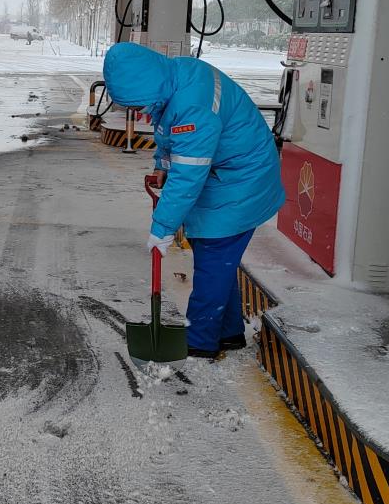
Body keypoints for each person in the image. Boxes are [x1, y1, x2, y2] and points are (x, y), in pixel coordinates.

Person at [103, 42, 284, 359]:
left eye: (139, 104)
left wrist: (162, 227)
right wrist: (162, 165)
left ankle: (200, 342)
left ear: (148, 86)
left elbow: (188, 174)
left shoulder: (192, 106)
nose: (140, 112)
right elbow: (168, 132)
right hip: (224, 175)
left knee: (213, 257)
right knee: (215, 259)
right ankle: (228, 333)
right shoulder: (174, 79)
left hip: (241, 182)